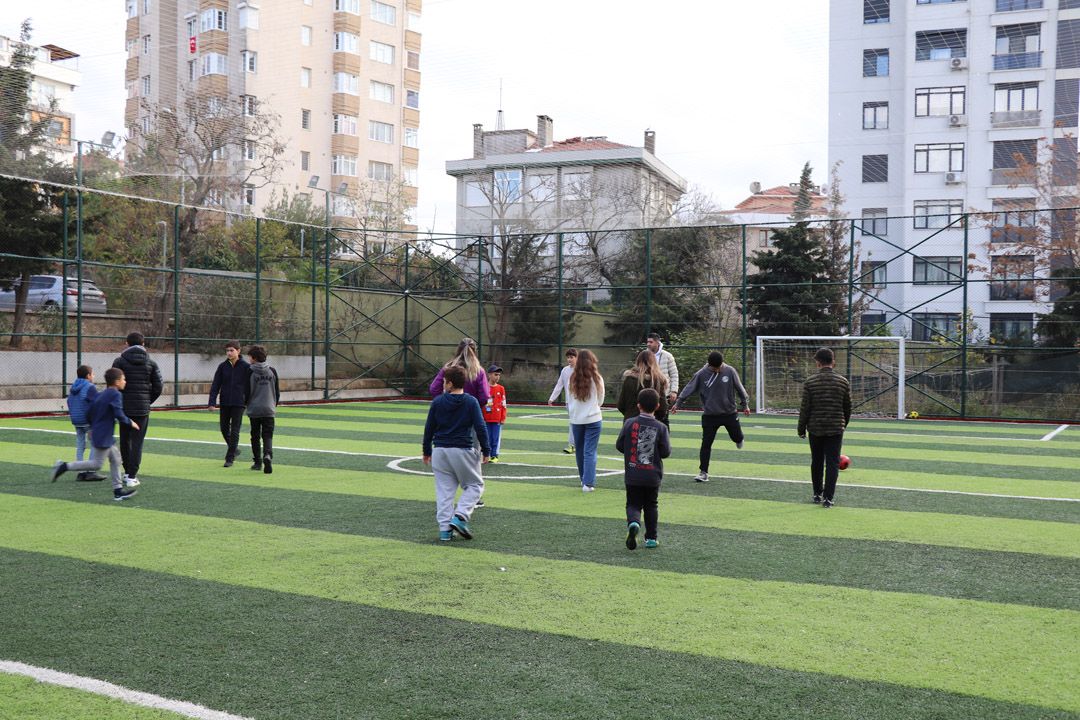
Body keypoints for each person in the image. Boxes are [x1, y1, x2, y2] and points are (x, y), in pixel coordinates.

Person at [50, 368, 140, 501]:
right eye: (123, 379)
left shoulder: (101, 394)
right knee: (96, 464)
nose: (125, 382)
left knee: (116, 459)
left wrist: (92, 428)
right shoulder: (115, 395)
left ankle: (118, 490)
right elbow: (119, 414)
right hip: (103, 435)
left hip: (103, 434)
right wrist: (130, 422)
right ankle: (63, 466)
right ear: (116, 382)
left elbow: (89, 412)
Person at [423, 365, 490, 542]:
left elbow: (429, 428)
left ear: (450, 384)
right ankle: (460, 516)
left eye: (444, 381)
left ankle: (445, 531)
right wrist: (486, 449)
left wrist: (426, 451)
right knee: (475, 486)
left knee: (444, 492)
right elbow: (480, 427)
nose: (443, 384)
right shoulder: (471, 402)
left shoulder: (438, 402)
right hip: (462, 450)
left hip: (440, 451)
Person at [672, 351, 750, 483]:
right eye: (715, 368)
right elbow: (689, 388)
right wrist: (678, 403)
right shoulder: (701, 374)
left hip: (729, 413)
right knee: (706, 444)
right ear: (710, 365)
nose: (718, 369)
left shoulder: (730, 371)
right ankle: (703, 473)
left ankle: (739, 438)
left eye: (719, 366)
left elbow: (740, 388)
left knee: (736, 437)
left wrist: (745, 405)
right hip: (710, 415)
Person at [616, 388, 671, 550]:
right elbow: (666, 452)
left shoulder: (629, 423)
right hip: (652, 475)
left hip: (633, 474)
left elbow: (620, 445)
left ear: (638, 405)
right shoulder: (661, 428)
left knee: (633, 504)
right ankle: (651, 538)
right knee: (651, 505)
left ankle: (633, 522)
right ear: (658, 406)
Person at [797, 347, 852, 508]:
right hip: (835, 428)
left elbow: (805, 408)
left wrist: (801, 428)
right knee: (833, 463)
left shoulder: (810, 382)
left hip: (815, 427)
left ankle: (816, 493)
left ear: (818, 363)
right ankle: (828, 498)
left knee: (817, 461)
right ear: (832, 362)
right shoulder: (843, 381)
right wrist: (843, 423)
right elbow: (847, 407)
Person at [112, 331, 163, 487]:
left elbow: (113, 383)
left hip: (124, 407)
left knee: (125, 440)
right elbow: (158, 386)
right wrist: (148, 401)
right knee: (137, 442)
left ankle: (127, 472)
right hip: (142, 408)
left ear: (126, 344)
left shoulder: (119, 361)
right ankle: (132, 476)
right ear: (143, 344)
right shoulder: (151, 362)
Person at [567, 349, 605, 492]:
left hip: (577, 419)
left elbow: (570, 399)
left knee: (580, 451)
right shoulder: (597, 378)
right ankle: (588, 483)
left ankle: (584, 479)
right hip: (593, 418)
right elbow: (601, 399)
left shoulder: (572, 378)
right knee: (590, 451)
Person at [208, 340, 251, 468]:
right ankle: (234, 449)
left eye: (231, 350)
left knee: (235, 430)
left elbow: (250, 386)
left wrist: (247, 401)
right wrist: (212, 402)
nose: (229, 353)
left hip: (239, 403)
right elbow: (216, 385)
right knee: (224, 428)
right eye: (227, 350)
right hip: (225, 402)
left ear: (238, 351)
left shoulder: (246, 367)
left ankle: (230, 457)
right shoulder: (222, 366)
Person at [246, 345, 280, 474]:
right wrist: (273, 404)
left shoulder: (249, 371)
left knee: (255, 436)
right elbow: (277, 391)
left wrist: (246, 404)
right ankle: (268, 455)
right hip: (269, 408)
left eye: (249, 357)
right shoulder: (272, 371)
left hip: (254, 409)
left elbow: (246, 391)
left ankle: (257, 462)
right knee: (267, 435)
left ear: (253, 358)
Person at [66, 364, 104, 482]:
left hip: (76, 420)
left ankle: (80, 472)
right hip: (87, 420)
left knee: (80, 445)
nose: (94, 375)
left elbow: (69, 401)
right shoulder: (89, 387)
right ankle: (90, 471)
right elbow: (96, 402)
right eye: (92, 374)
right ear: (88, 376)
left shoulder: (74, 386)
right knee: (94, 443)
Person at [616, 350, 669, 423]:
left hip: (631, 423)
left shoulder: (629, 379)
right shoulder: (658, 381)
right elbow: (662, 408)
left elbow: (621, 405)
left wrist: (630, 415)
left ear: (638, 361)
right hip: (652, 423)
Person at [547, 348, 578, 454]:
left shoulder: (581, 370)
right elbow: (559, 385)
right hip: (569, 402)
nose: (569, 359)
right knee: (573, 423)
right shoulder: (565, 370)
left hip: (580, 402)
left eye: (572, 357)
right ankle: (573, 445)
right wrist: (552, 398)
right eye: (568, 357)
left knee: (577, 423)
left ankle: (573, 445)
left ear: (576, 358)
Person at [646, 332, 679, 416]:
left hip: (664, 394)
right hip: (647, 393)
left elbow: (674, 374)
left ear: (657, 342)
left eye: (651, 342)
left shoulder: (668, 356)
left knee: (663, 419)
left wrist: (674, 391)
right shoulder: (644, 356)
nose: (648, 344)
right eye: (648, 342)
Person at [481, 364, 507, 463]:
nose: (497, 377)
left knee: (495, 438)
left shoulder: (501, 388)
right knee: (486, 437)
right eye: (495, 374)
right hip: (486, 418)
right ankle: (486, 454)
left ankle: (494, 455)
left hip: (497, 418)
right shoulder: (484, 387)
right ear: (489, 375)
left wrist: (503, 417)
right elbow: (483, 403)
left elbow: (504, 404)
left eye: (499, 375)